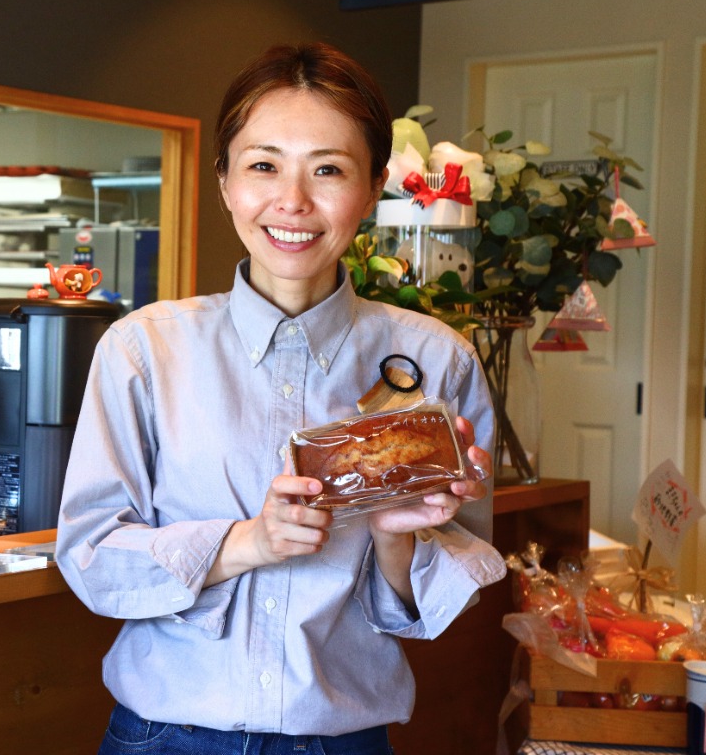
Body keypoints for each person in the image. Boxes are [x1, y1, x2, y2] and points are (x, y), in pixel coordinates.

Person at [55, 42, 506, 755]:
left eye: (328, 170)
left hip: (341, 740)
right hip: (163, 738)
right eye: (264, 165)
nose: (293, 201)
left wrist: (396, 532)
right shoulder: (144, 351)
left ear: (373, 186)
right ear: (225, 181)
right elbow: (90, 557)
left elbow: (432, 604)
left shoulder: (435, 360)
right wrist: (247, 543)